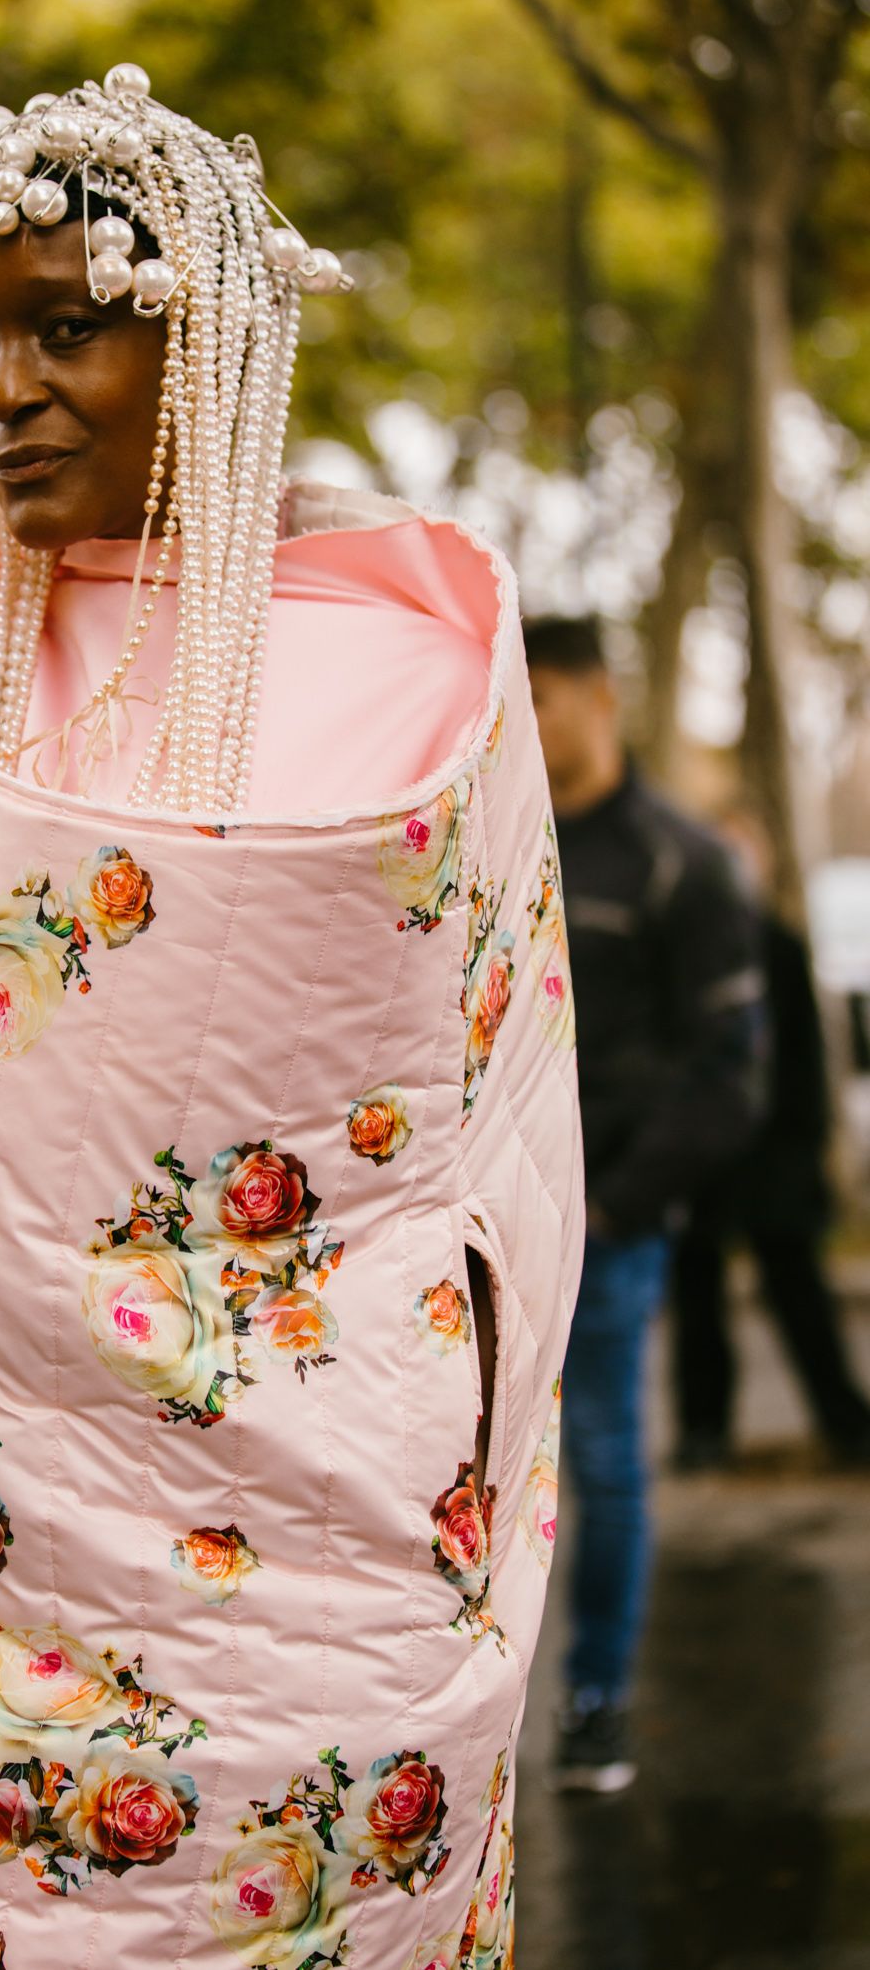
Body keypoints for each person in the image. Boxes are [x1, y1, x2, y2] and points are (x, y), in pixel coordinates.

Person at [0, 70, 584, 1970]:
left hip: (285, 1608)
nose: (4, 390)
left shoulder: (405, 688)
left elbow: (479, 1152)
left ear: (211, 340)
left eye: (70, 327)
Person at [524, 614, 764, 1796]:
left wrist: (618, 1203)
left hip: (610, 1226)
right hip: (485, 1219)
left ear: (596, 695)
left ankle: (595, 1699)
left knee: (604, 1461)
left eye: (539, 697)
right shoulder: (493, 847)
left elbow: (730, 1070)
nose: (524, 722)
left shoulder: (679, 860)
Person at [672, 802, 870, 1468]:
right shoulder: (683, 951)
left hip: (774, 1154)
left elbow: (808, 1060)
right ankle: (703, 1430)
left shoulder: (782, 947)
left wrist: (807, 1148)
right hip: (702, 1155)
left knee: (799, 1290)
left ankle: (844, 1420)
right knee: (698, 1298)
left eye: (743, 853)